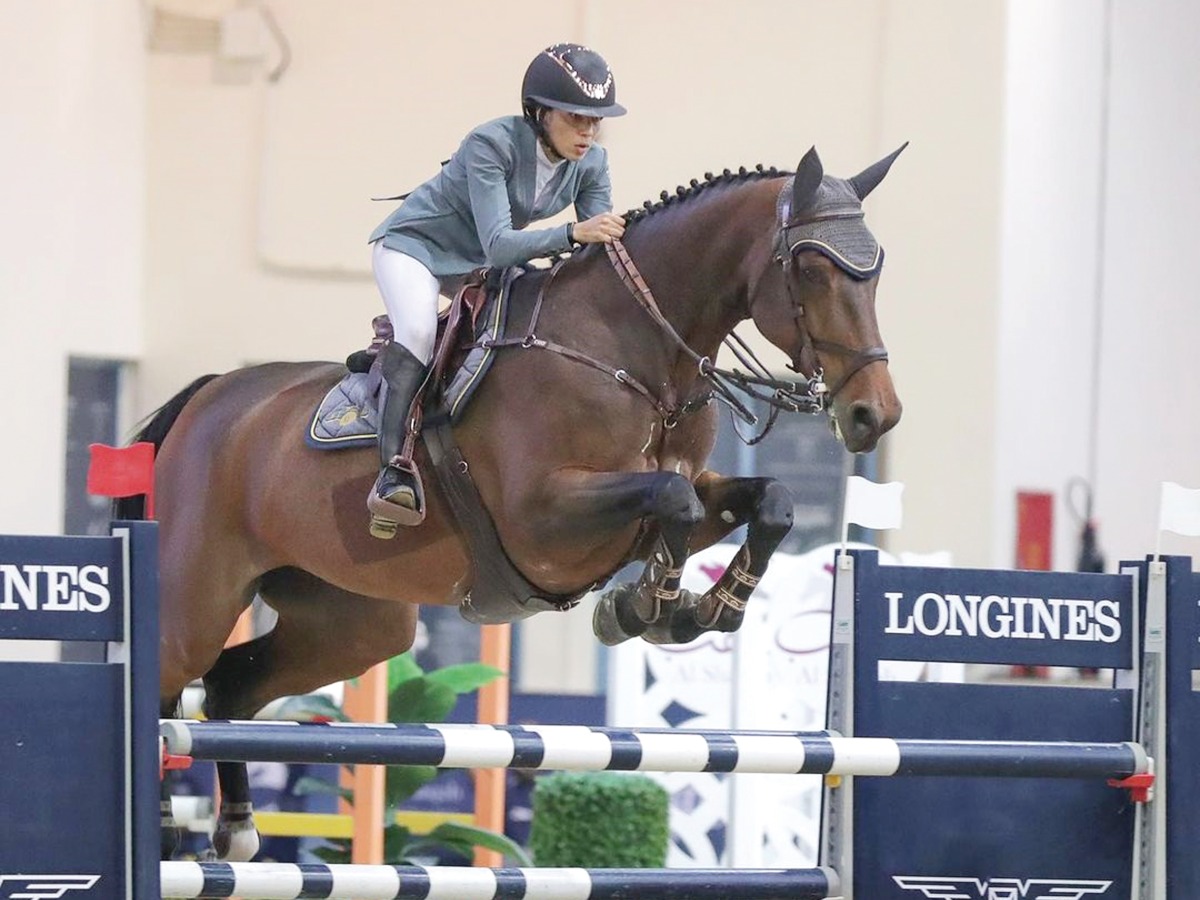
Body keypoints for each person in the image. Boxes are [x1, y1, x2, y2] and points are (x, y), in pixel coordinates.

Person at [365, 42, 628, 537]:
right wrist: (573, 233)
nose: (587, 132)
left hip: (476, 264)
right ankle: (393, 471)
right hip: (415, 248)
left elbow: (597, 249)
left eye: (595, 121)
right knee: (418, 332)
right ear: (540, 113)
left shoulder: (592, 164)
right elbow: (501, 244)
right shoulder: (491, 143)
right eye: (575, 118)